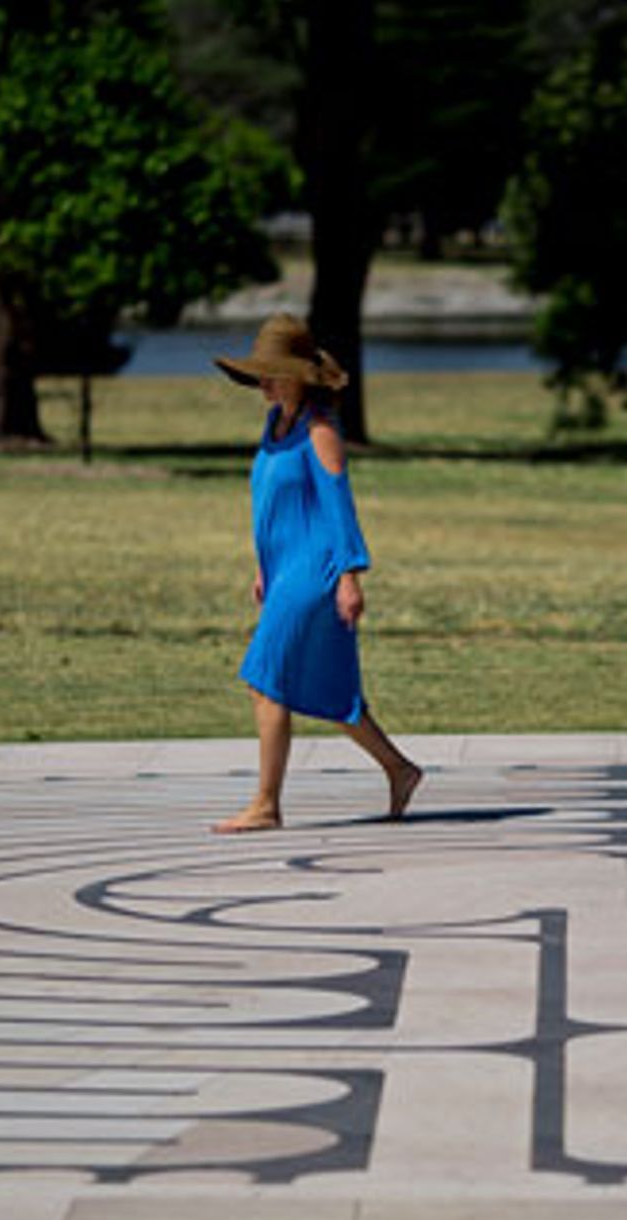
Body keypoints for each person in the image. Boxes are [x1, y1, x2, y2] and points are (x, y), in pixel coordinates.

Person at [209, 314, 422, 833]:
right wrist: (263, 565)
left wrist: (350, 576)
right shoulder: (275, 424)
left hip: (316, 572)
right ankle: (400, 769)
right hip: (283, 571)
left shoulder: (320, 429)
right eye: (259, 372)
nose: (263, 380)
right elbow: (271, 503)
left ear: (301, 374)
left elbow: (337, 507)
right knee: (330, 692)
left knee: (266, 678)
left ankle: (266, 804)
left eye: (273, 372)